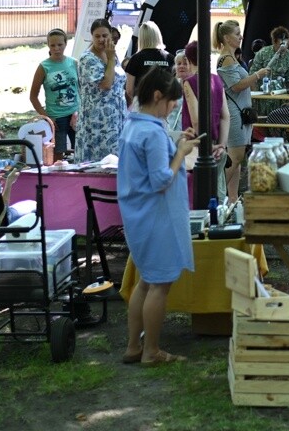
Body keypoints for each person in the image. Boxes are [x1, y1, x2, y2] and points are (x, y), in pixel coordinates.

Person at [117, 68, 200, 367]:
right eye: (172, 101)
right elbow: (162, 179)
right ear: (157, 96)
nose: (174, 106)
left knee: (145, 282)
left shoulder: (133, 124)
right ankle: (151, 351)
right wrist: (181, 153)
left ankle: (133, 346)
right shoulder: (151, 132)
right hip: (155, 216)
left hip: (139, 214)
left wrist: (177, 143)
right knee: (159, 284)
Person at [214, 19, 272, 202]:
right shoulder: (226, 59)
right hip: (235, 114)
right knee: (236, 156)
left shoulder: (231, 58)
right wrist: (257, 75)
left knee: (237, 158)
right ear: (226, 37)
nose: (240, 37)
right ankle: (215, 194)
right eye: (237, 34)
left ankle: (232, 198)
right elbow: (236, 86)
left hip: (240, 114)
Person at [76, 19, 128, 162]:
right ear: (92, 37)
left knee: (118, 160)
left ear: (110, 35)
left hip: (116, 117)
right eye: (97, 36)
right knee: (102, 162)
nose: (101, 39)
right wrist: (110, 59)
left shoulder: (111, 53)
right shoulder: (88, 59)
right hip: (98, 121)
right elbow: (106, 84)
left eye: (104, 36)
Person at [29, 28, 79, 160]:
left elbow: (82, 89)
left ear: (66, 44)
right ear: (48, 45)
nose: (56, 49)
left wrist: (78, 111)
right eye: (53, 45)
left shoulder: (74, 63)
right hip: (56, 118)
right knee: (57, 155)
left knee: (80, 151)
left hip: (75, 115)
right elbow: (33, 96)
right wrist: (46, 117)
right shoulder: (44, 67)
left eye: (60, 45)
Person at [178, 41, 229, 168]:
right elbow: (225, 116)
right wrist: (222, 145)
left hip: (196, 144)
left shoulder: (189, 82)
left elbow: (196, 120)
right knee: (216, 179)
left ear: (188, 60)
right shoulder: (217, 79)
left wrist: (207, 146)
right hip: (217, 143)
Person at [124, 21, 175, 105]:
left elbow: (129, 90)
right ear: (158, 36)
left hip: (143, 104)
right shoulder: (170, 58)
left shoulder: (135, 59)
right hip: (164, 104)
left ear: (141, 38)